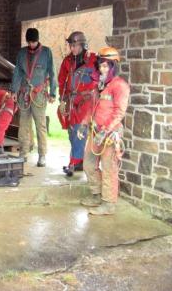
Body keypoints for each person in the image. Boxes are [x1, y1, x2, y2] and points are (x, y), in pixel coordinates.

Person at [79, 47, 129, 215]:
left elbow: (119, 112)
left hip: (110, 134)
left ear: (113, 67)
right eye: (100, 66)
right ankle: (96, 194)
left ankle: (108, 204)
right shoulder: (99, 85)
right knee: (88, 163)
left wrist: (105, 130)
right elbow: (92, 107)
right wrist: (83, 123)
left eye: (106, 66)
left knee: (109, 167)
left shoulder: (120, 86)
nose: (102, 69)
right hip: (95, 130)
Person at [11, 28, 57, 167]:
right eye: (30, 42)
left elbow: (52, 72)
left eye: (34, 42)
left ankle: (42, 155)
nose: (31, 45)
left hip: (39, 94)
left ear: (38, 40)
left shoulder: (46, 52)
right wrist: (14, 90)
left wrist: (53, 92)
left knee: (40, 125)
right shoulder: (22, 53)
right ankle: (23, 152)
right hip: (24, 93)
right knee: (24, 124)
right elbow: (17, 72)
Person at [58, 31, 98, 177]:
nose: (72, 48)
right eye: (71, 45)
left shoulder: (93, 59)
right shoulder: (67, 61)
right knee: (71, 132)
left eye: (75, 45)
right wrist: (61, 99)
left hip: (87, 101)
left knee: (79, 131)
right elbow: (62, 80)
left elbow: (101, 77)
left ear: (82, 45)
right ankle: (79, 160)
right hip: (71, 100)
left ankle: (73, 163)